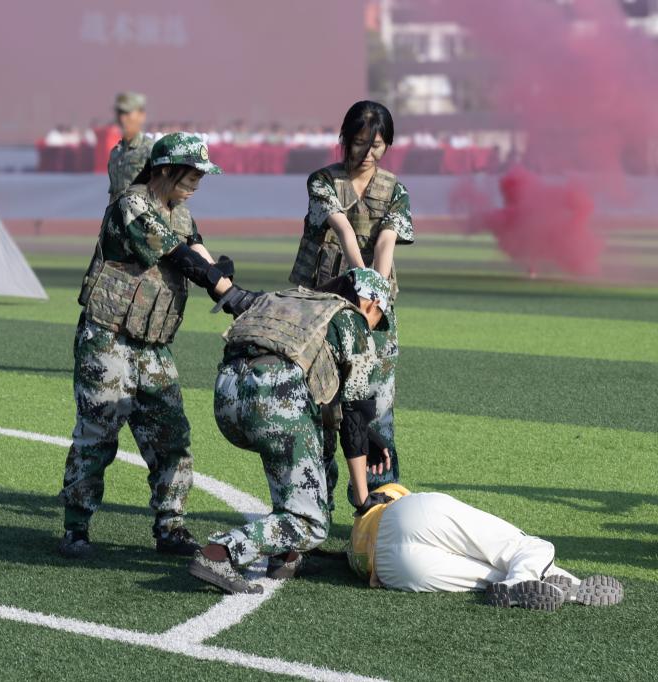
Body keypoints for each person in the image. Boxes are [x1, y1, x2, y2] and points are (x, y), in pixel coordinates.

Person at [57, 132, 261, 559]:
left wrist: (227, 287)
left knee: (172, 437)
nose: (198, 183)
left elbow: (200, 255)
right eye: (193, 174)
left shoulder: (182, 215)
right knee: (97, 435)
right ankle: (76, 527)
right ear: (166, 169)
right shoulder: (131, 205)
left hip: (153, 348)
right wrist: (223, 285)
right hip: (108, 338)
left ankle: (170, 527)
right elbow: (178, 256)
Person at [188, 268, 395, 594]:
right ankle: (221, 552)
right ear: (371, 303)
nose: (374, 325)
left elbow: (330, 401)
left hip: (228, 398)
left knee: (321, 439)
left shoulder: (293, 299)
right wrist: (363, 498)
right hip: (275, 401)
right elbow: (354, 418)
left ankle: (287, 555)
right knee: (312, 523)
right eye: (378, 316)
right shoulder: (352, 320)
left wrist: (368, 436)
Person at [288, 100, 414, 505]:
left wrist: (374, 295)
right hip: (322, 309)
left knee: (378, 410)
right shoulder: (323, 181)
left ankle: (379, 507)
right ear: (344, 139)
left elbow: (387, 241)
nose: (368, 153)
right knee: (320, 407)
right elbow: (342, 230)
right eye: (360, 143)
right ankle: (311, 508)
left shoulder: (394, 190)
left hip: (374, 315)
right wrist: (362, 282)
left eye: (377, 145)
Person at [347, 484, 624, 611]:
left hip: (388, 568)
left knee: (494, 578)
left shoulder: (351, 549)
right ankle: (564, 583)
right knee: (528, 547)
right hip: (409, 513)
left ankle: (546, 584)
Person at [108, 91, 153, 204]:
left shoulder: (151, 150)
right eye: (120, 113)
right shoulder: (116, 153)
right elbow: (114, 194)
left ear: (141, 115)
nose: (122, 118)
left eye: (127, 113)